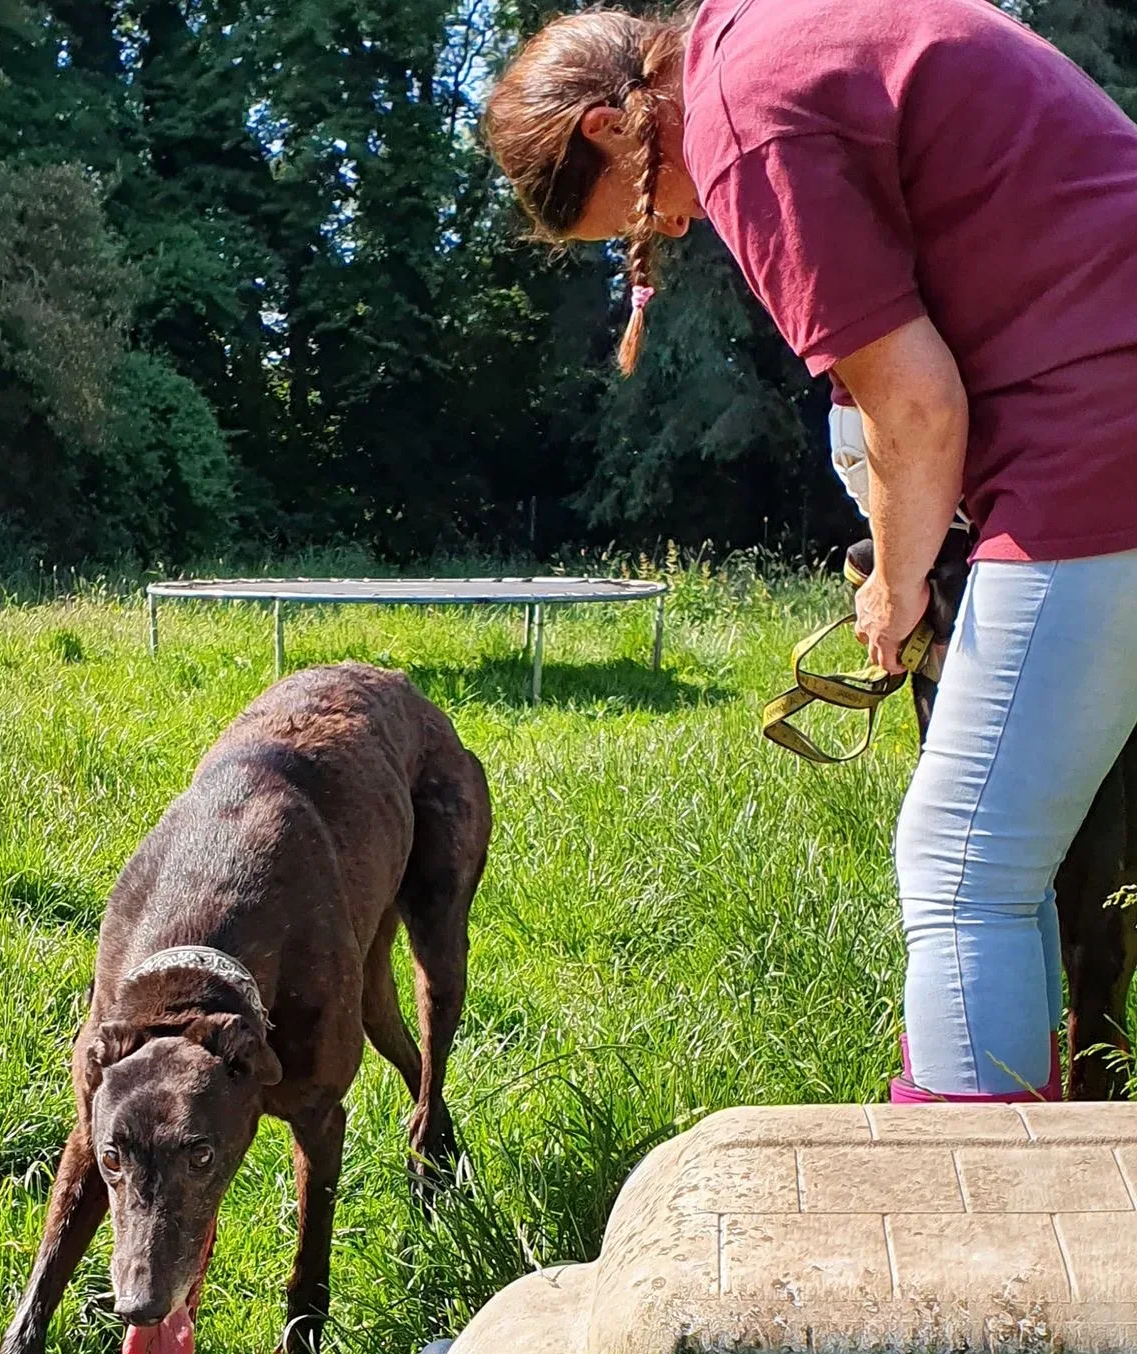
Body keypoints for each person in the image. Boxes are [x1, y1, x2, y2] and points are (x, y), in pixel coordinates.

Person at [482, 0, 1137, 1103]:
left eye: (631, 226)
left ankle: (975, 1235)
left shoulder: (746, 118)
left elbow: (916, 406)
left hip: (1097, 428)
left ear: (607, 129)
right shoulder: (781, 34)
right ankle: (1038, 1189)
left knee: (961, 864)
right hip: (1095, 400)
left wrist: (894, 586)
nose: (672, 235)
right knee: (1002, 855)